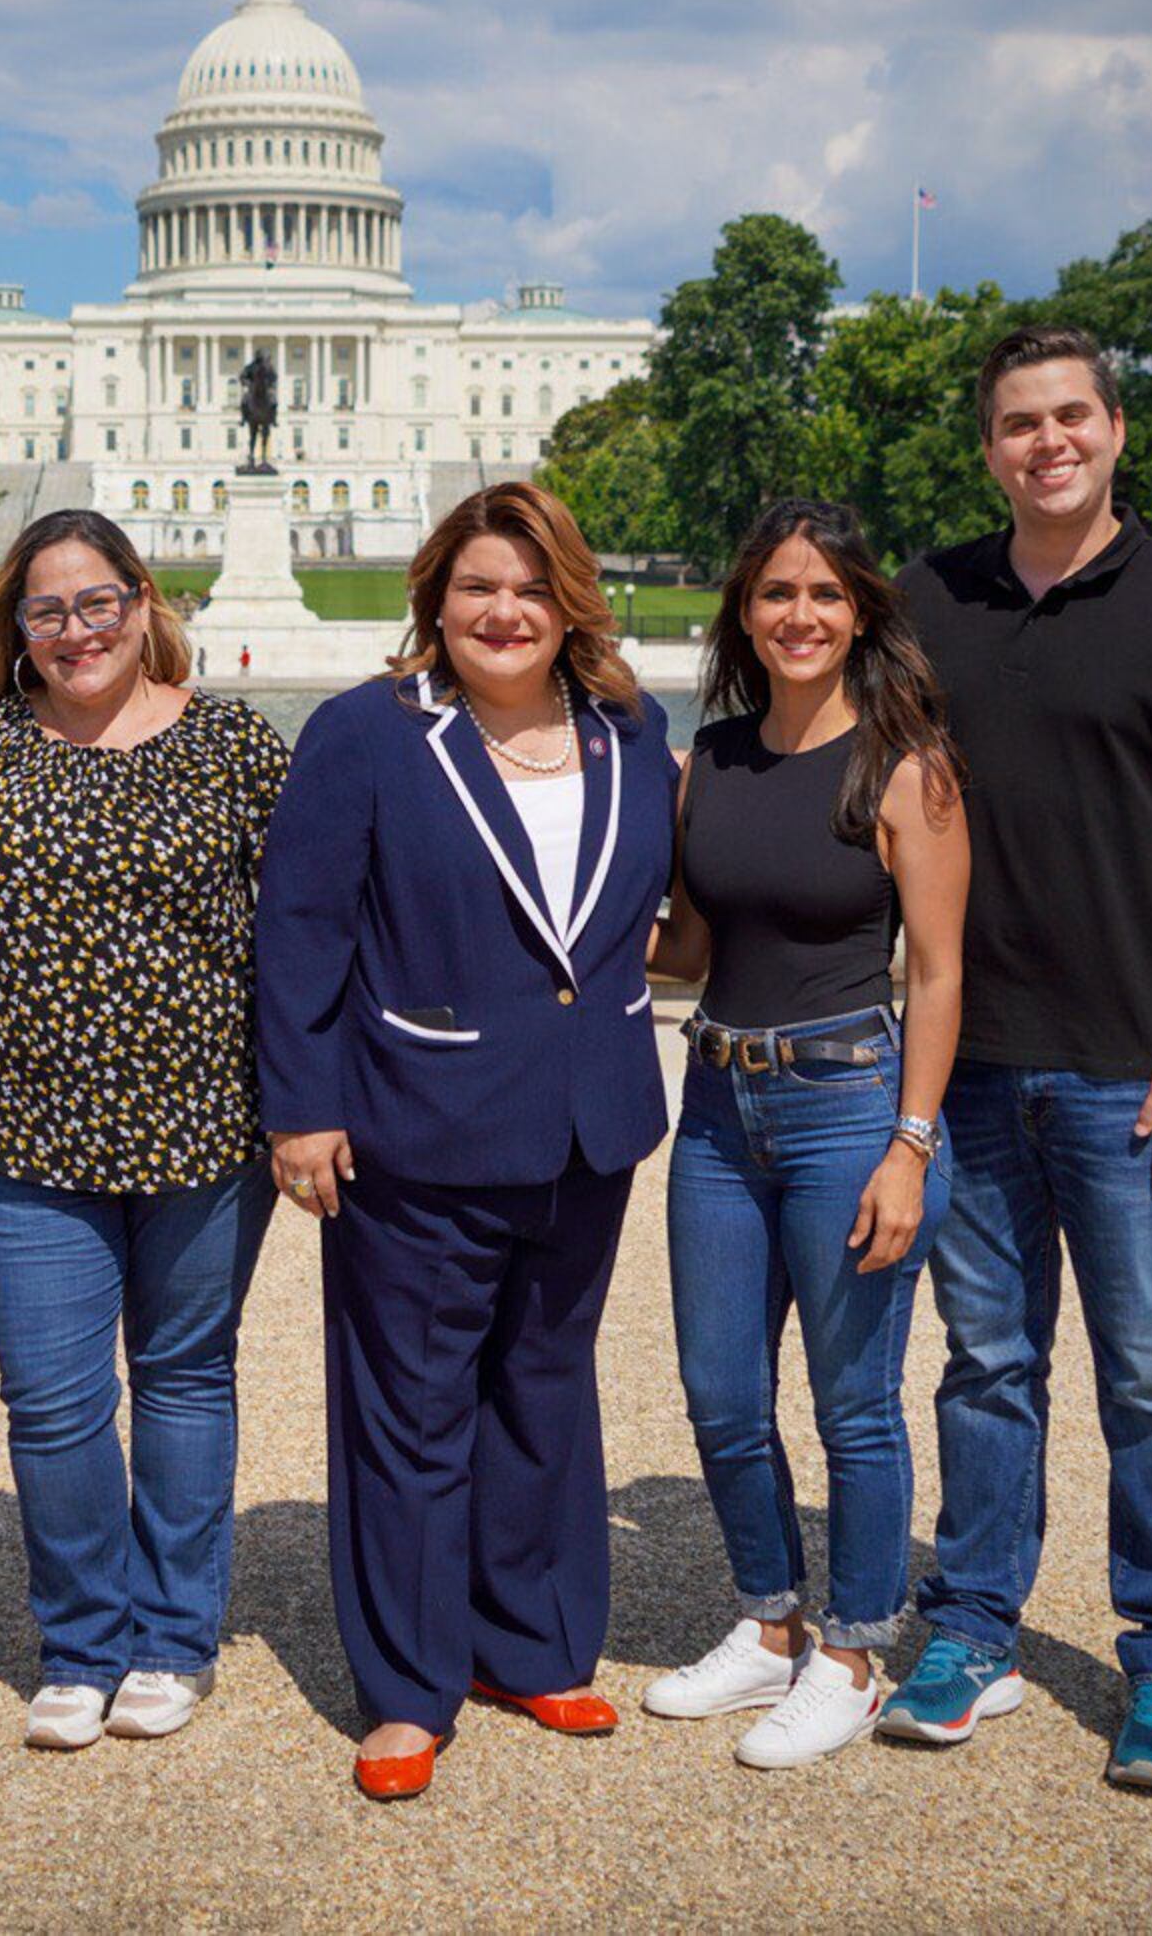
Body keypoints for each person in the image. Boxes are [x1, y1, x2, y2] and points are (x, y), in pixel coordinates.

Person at [883, 325, 1152, 1793]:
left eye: (1070, 416)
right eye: (1017, 424)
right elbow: (825, 758)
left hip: (1136, 1067)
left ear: (1117, 429)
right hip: (976, 1063)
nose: (1046, 443)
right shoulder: (930, 599)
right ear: (988, 447)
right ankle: (973, 1625)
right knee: (986, 1370)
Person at [254, 482, 676, 1802]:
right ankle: (405, 1687)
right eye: (479, 586)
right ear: (436, 597)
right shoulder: (366, 736)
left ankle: (532, 1641)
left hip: (586, 1122)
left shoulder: (630, 728)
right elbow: (302, 931)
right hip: (414, 1125)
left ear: (571, 603)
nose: (506, 611)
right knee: (412, 1413)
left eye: (532, 588)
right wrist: (301, 1109)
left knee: (545, 1394)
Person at [0, 509, 288, 1750]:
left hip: (205, 1127)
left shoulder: (235, 743)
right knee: (52, 1402)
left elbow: (305, 933)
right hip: (33, 1129)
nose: (75, 630)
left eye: (97, 603)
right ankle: (81, 1638)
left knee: (185, 1383)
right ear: (13, 626)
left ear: (142, 602)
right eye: (47, 609)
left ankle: (174, 1638)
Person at [643, 499, 968, 1767]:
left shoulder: (905, 765)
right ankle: (771, 1624)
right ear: (744, 610)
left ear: (860, 614)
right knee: (720, 1395)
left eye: (825, 595)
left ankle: (852, 1652)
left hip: (846, 1105)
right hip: (717, 1103)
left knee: (854, 1407)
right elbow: (688, 947)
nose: (799, 615)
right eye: (777, 592)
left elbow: (938, 974)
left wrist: (911, 1144)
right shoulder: (706, 761)